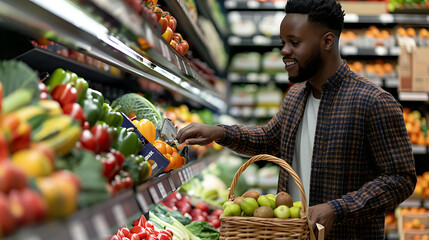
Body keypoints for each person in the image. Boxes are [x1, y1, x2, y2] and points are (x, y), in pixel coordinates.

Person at [177, 0, 416, 239]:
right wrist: (220, 133)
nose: (284, 50)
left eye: (295, 42)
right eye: (283, 43)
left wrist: (337, 209)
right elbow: (269, 138)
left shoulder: (374, 102)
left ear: (327, 41)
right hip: (292, 233)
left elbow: (400, 179)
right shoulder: (295, 95)